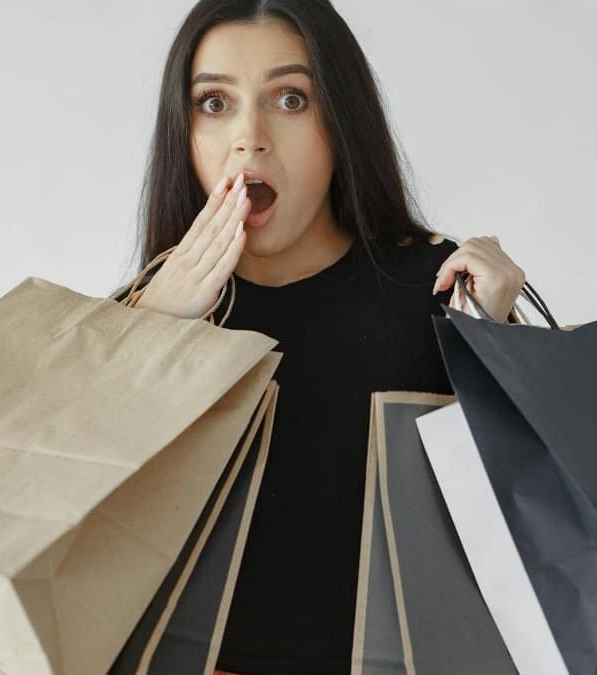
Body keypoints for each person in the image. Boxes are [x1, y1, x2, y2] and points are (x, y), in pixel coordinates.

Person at [112, 1, 528, 672]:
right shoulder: (142, 313)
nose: (249, 138)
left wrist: (499, 346)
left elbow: (529, 533)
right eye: (214, 103)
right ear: (182, 135)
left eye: (290, 99)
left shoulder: (437, 288)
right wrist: (147, 333)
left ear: (341, 120)